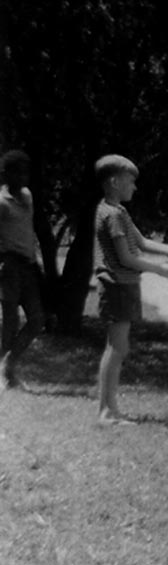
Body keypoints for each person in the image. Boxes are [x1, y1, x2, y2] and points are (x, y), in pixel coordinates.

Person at [93, 154, 168, 425]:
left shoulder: (118, 211)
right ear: (114, 182)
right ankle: (106, 412)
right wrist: (161, 270)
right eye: (130, 182)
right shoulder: (111, 215)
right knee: (117, 348)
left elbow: (142, 242)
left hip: (125, 285)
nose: (134, 187)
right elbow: (126, 258)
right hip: (116, 286)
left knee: (118, 347)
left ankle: (109, 410)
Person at [0, 150, 45, 390]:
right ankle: (7, 377)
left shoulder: (27, 196)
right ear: (6, 174)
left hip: (28, 266)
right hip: (9, 267)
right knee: (10, 321)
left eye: (26, 171)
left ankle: (8, 362)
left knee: (37, 319)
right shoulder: (1, 203)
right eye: (18, 171)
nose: (24, 177)